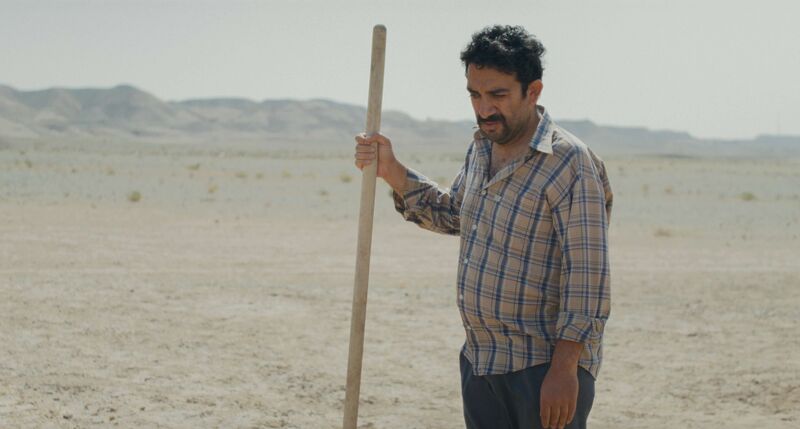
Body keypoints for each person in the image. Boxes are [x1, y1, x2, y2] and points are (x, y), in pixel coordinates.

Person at [354, 25, 612, 429]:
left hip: (542, 369)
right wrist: (393, 172)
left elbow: (588, 277)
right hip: (481, 360)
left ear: (533, 91)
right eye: (475, 94)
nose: (484, 108)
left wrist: (565, 370)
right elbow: (455, 214)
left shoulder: (569, 162)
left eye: (498, 95)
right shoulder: (481, 149)